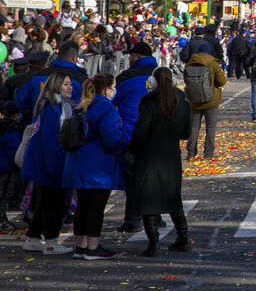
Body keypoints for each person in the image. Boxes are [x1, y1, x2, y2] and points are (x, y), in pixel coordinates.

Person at [62, 73, 129, 260]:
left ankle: (81, 245)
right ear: (107, 88)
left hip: (80, 163)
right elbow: (113, 138)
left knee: (83, 205)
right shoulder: (106, 108)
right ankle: (93, 246)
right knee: (96, 206)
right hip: (99, 165)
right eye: (112, 86)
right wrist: (124, 145)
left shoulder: (83, 105)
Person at [129, 67, 192, 256]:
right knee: (173, 198)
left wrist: (132, 147)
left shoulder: (148, 102)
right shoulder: (182, 102)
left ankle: (154, 243)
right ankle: (183, 238)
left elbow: (140, 132)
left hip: (149, 155)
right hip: (171, 157)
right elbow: (186, 134)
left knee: (148, 199)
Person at [20, 73, 75, 255]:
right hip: (49, 164)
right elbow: (51, 142)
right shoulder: (53, 108)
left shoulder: (58, 106)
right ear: (56, 86)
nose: (70, 87)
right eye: (65, 84)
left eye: (70, 84)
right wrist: (55, 167)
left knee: (46, 202)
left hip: (47, 164)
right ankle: (51, 242)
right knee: (54, 204)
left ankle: (33, 238)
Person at [111, 41, 159, 233]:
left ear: (137, 56)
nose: (129, 58)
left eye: (131, 55)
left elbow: (116, 102)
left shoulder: (126, 77)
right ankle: (155, 216)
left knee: (133, 179)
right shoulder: (161, 73)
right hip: (156, 133)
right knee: (154, 177)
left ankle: (133, 219)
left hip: (132, 132)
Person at [183, 41, 227, 160]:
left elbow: (186, 80)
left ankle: (191, 153)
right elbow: (222, 81)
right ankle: (208, 153)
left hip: (194, 100)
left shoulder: (189, 64)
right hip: (211, 100)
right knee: (210, 127)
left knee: (194, 127)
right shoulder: (212, 64)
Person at [0, 105, 25, 230]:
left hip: (4, 166)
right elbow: (14, 149)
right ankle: (2, 219)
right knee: (5, 194)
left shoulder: (4, 126)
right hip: (9, 167)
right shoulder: (11, 129)